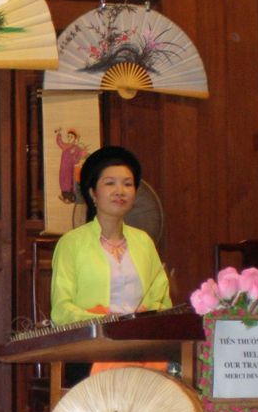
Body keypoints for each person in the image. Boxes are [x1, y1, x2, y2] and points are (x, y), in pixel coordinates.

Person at [50, 145, 171, 381]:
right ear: (93, 193)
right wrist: (104, 321)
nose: (120, 191)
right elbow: (61, 310)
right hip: (90, 348)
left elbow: (163, 301)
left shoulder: (144, 242)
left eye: (127, 184)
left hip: (141, 346)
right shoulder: (71, 243)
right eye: (110, 183)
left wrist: (146, 320)